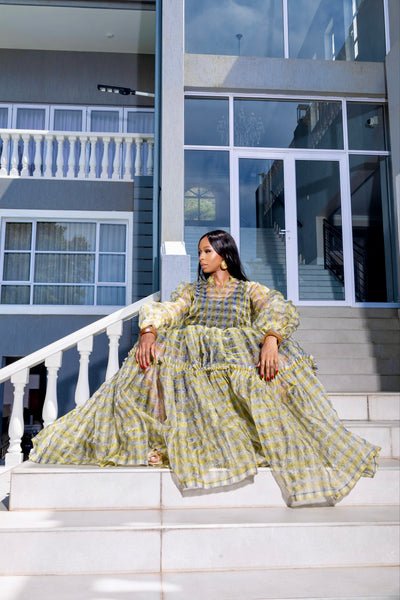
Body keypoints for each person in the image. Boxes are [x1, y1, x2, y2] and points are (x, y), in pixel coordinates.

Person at [30, 230, 379, 506]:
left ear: (224, 257)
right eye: (199, 252)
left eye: (206, 251)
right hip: (197, 354)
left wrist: (271, 338)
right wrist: (149, 330)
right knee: (149, 360)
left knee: (277, 367)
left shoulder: (249, 291)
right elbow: (170, 309)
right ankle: (159, 435)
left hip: (236, 352)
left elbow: (277, 307)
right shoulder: (193, 292)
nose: (201, 258)